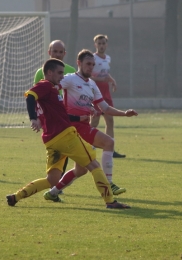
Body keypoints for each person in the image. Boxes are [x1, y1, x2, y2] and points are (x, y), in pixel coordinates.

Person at [6, 58, 131, 209]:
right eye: (59, 73)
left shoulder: (52, 91)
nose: (61, 76)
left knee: (52, 179)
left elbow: (60, 115)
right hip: (65, 136)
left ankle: (16, 196)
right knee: (94, 165)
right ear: (49, 72)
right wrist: (33, 118)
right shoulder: (45, 85)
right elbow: (30, 96)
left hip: (52, 140)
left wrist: (79, 117)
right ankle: (110, 201)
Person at [45, 49, 138, 198]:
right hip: (73, 127)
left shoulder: (92, 85)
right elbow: (51, 87)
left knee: (80, 170)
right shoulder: (70, 79)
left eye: (93, 64)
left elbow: (105, 108)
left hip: (84, 127)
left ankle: (53, 192)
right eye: (88, 64)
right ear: (79, 63)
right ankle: (109, 183)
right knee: (109, 142)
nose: (91, 67)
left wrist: (124, 113)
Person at [33, 40, 76, 182]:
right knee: (54, 151)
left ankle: (57, 183)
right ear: (49, 52)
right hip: (50, 119)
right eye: (54, 51)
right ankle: (54, 182)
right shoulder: (41, 72)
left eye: (60, 52)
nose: (57, 54)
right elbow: (35, 97)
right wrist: (37, 117)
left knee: (67, 151)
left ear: (65, 54)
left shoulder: (71, 71)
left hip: (67, 117)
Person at [90, 34, 125, 158]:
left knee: (110, 121)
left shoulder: (107, 58)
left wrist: (112, 81)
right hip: (95, 92)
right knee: (94, 120)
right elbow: (89, 75)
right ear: (95, 45)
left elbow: (106, 74)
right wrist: (101, 79)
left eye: (103, 43)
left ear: (106, 45)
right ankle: (87, 145)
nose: (101, 45)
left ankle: (110, 149)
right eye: (99, 43)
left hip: (106, 92)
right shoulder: (92, 58)